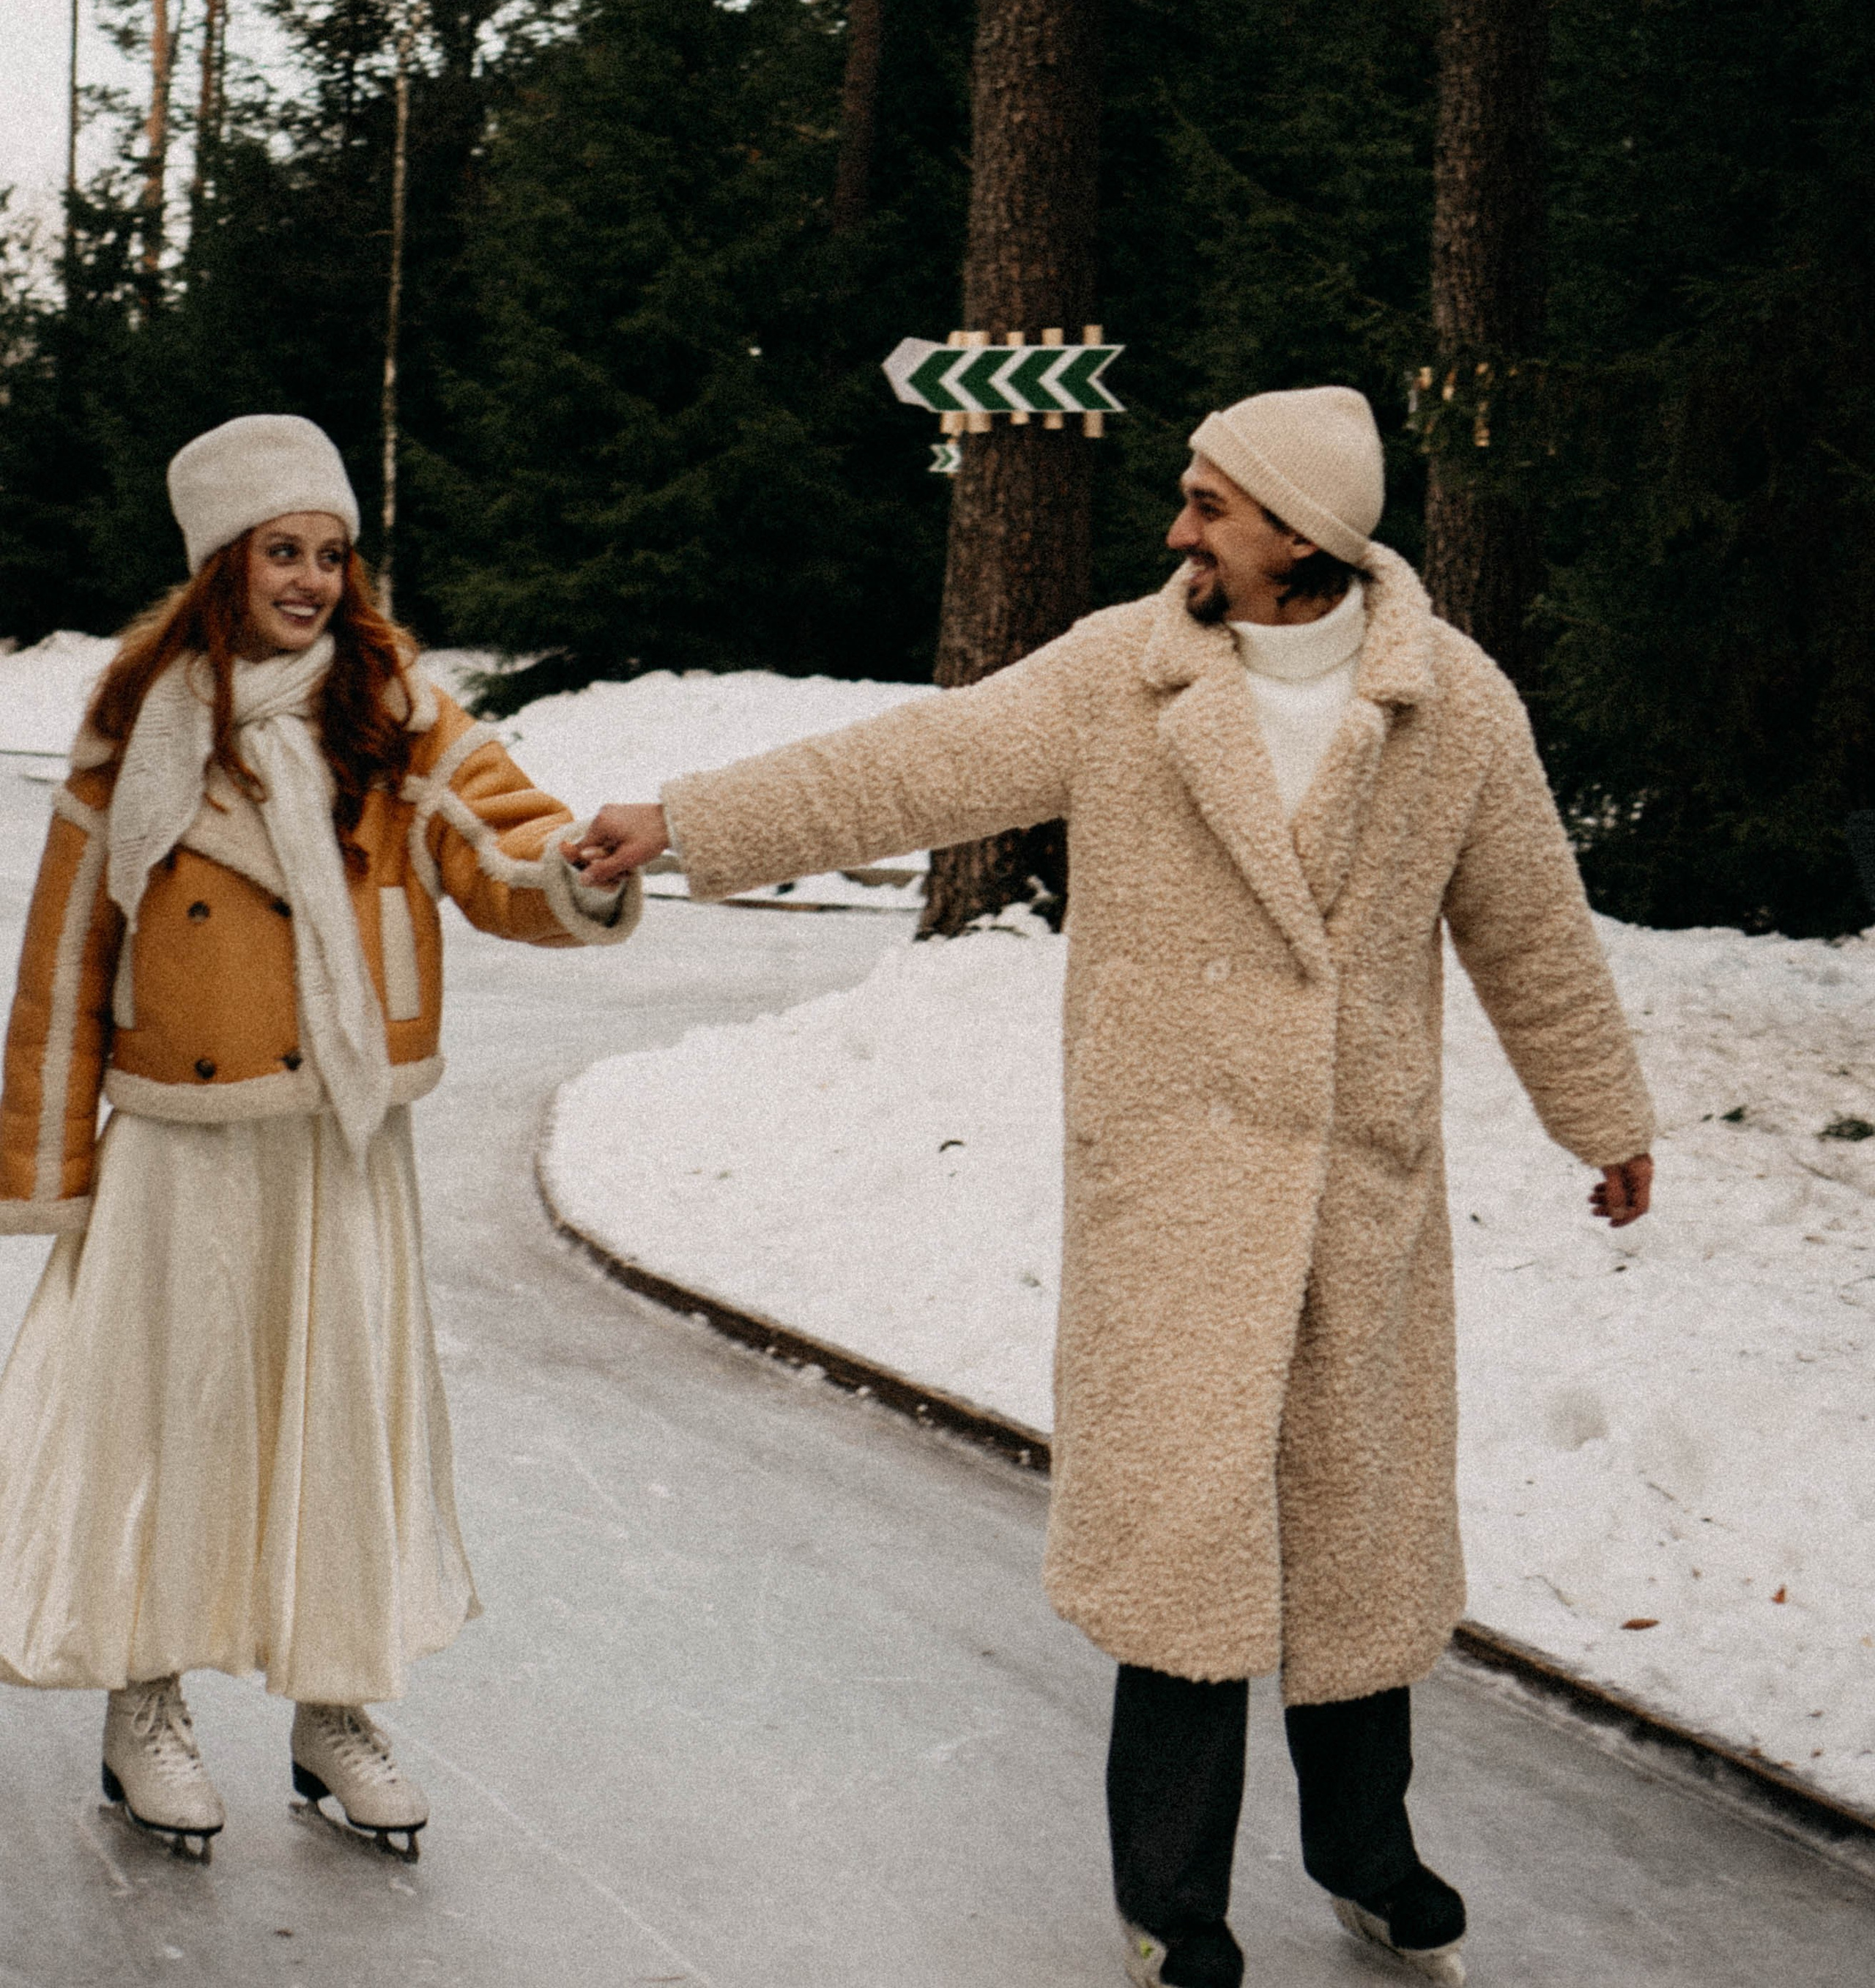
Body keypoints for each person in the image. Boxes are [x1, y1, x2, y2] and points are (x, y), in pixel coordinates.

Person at [573, 385, 1655, 1988]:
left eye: (1209, 504)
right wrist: (685, 821)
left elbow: (1532, 928)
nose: (1176, 528)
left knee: (1356, 1541)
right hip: (1173, 1196)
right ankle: (1172, 1901)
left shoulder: (1452, 704)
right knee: (1183, 1552)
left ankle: (1367, 1859)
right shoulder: (1122, 674)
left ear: (1302, 531)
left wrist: (1602, 1118)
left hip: (1355, 1194)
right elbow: (915, 766)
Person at [0, 415, 639, 1862]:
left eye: (331, 554)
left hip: (342, 1137)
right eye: (282, 551)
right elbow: (65, 951)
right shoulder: (139, 723)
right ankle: (145, 1704)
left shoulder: (394, 705)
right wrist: (46, 1164)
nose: (310, 580)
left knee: (342, 1419)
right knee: (171, 1421)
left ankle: (333, 1703)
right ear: (223, 563)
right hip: (183, 1138)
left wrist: (575, 871)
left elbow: (498, 840)